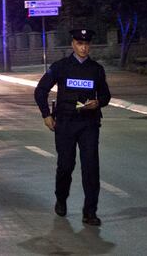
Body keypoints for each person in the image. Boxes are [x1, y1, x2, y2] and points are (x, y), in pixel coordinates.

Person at [33, 29, 111, 227]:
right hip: (66, 123)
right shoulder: (60, 67)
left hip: (89, 124)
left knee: (91, 168)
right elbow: (40, 91)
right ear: (73, 44)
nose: (83, 47)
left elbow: (106, 96)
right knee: (66, 166)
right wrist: (46, 115)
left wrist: (98, 103)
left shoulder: (96, 69)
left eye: (86, 44)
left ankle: (90, 212)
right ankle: (61, 198)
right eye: (79, 43)